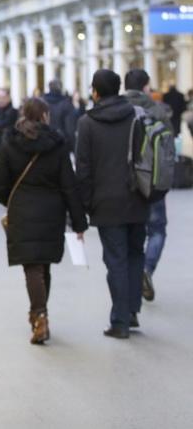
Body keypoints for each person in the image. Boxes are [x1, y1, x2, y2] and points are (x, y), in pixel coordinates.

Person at [0, 98, 87, 344]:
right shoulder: (57, 143)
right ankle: (40, 314)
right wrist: (78, 222)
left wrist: (11, 201)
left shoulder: (10, 141)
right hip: (52, 211)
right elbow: (69, 185)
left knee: (32, 267)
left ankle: (39, 316)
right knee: (43, 266)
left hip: (22, 210)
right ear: (44, 115)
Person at [76, 69, 149, 339]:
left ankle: (120, 321)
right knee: (135, 255)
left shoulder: (87, 123)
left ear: (95, 92)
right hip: (138, 196)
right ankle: (131, 312)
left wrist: (84, 205)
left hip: (106, 203)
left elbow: (83, 169)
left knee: (116, 260)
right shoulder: (136, 116)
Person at [124, 69, 173, 302]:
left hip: (124, 182)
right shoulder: (157, 110)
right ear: (145, 87)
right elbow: (168, 146)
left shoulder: (118, 108)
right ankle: (147, 268)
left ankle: (128, 283)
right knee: (157, 229)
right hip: (152, 180)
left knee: (127, 233)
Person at [42, 79, 76, 151]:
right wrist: (73, 147)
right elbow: (70, 128)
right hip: (61, 143)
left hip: (45, 143)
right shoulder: (67, 104)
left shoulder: (42, 102)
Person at [0, 87, 18, 153]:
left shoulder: (14, 112)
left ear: (8, 98)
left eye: (3, 97)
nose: (1, 100)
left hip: (9, 147)